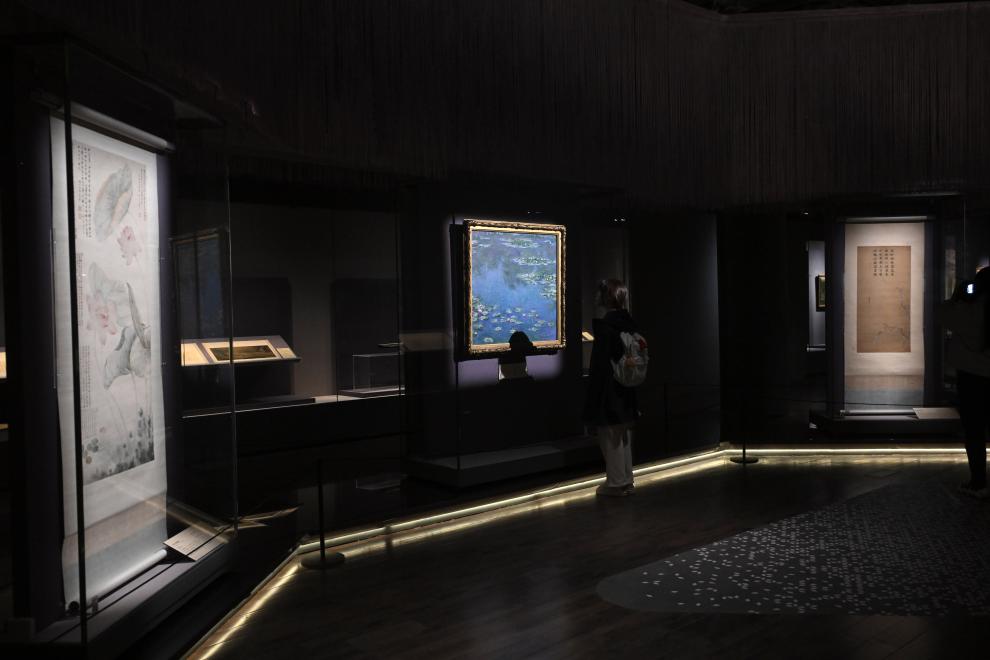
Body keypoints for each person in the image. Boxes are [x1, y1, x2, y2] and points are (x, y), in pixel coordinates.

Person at [584, 278, 640, 497]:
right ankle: (626, 480)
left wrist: (592, 399)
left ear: (605, 297)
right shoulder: (629, 323)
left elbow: (599, 367)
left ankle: (616, 483)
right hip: (626, 388)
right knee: (622, 436)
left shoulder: (607, 327)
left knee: (610, 437)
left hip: (609, 391)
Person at [945, 267, 990, 499]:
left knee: (974, 431)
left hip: (971, 377)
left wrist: (958, 295)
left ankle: (978, 482)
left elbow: (942, 313)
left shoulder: (967, 311)